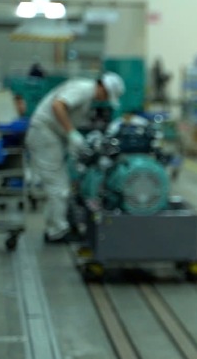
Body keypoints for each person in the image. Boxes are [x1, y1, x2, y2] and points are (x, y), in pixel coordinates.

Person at [25, 72, 125, 243]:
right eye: (106, 95)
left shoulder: (86, 94)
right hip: (45, 134)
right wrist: (71, 133)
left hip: (51, 136)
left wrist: (71, 139)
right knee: (59, 186)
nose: (104, 100)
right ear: (103, 87)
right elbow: (58, 105)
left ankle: (54, 226)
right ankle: (57, 232)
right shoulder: (85, 89)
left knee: (56, 185)